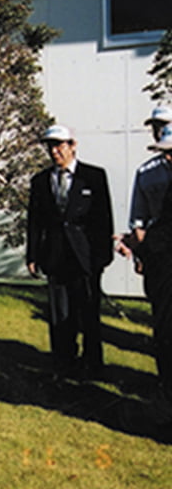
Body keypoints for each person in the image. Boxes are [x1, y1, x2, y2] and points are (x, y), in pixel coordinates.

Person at [26, 124, 113, 378]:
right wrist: (32, 255)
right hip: (55, 256)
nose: (55, 152)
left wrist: (101, 256)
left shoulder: (94, 177)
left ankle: (93, 365)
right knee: (59, 314)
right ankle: (63, 363)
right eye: (50, 146)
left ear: (72, 145)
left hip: (85, 257)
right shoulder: (41, 181)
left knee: (88, 312)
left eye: (60, 145)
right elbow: (34, 222)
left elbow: (103, 219)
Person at [117, 124, 172, 424]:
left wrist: (138, 244)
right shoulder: (149, 174)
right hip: (162, 268)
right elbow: (146, 223)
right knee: (164, 332)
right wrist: (138, 247)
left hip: (161, 256)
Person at [128, 106, 172, 250]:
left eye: (164, 125)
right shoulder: (146, 172)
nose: (158, 131)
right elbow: (138, 218)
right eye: (155, 127)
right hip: (158, 249)